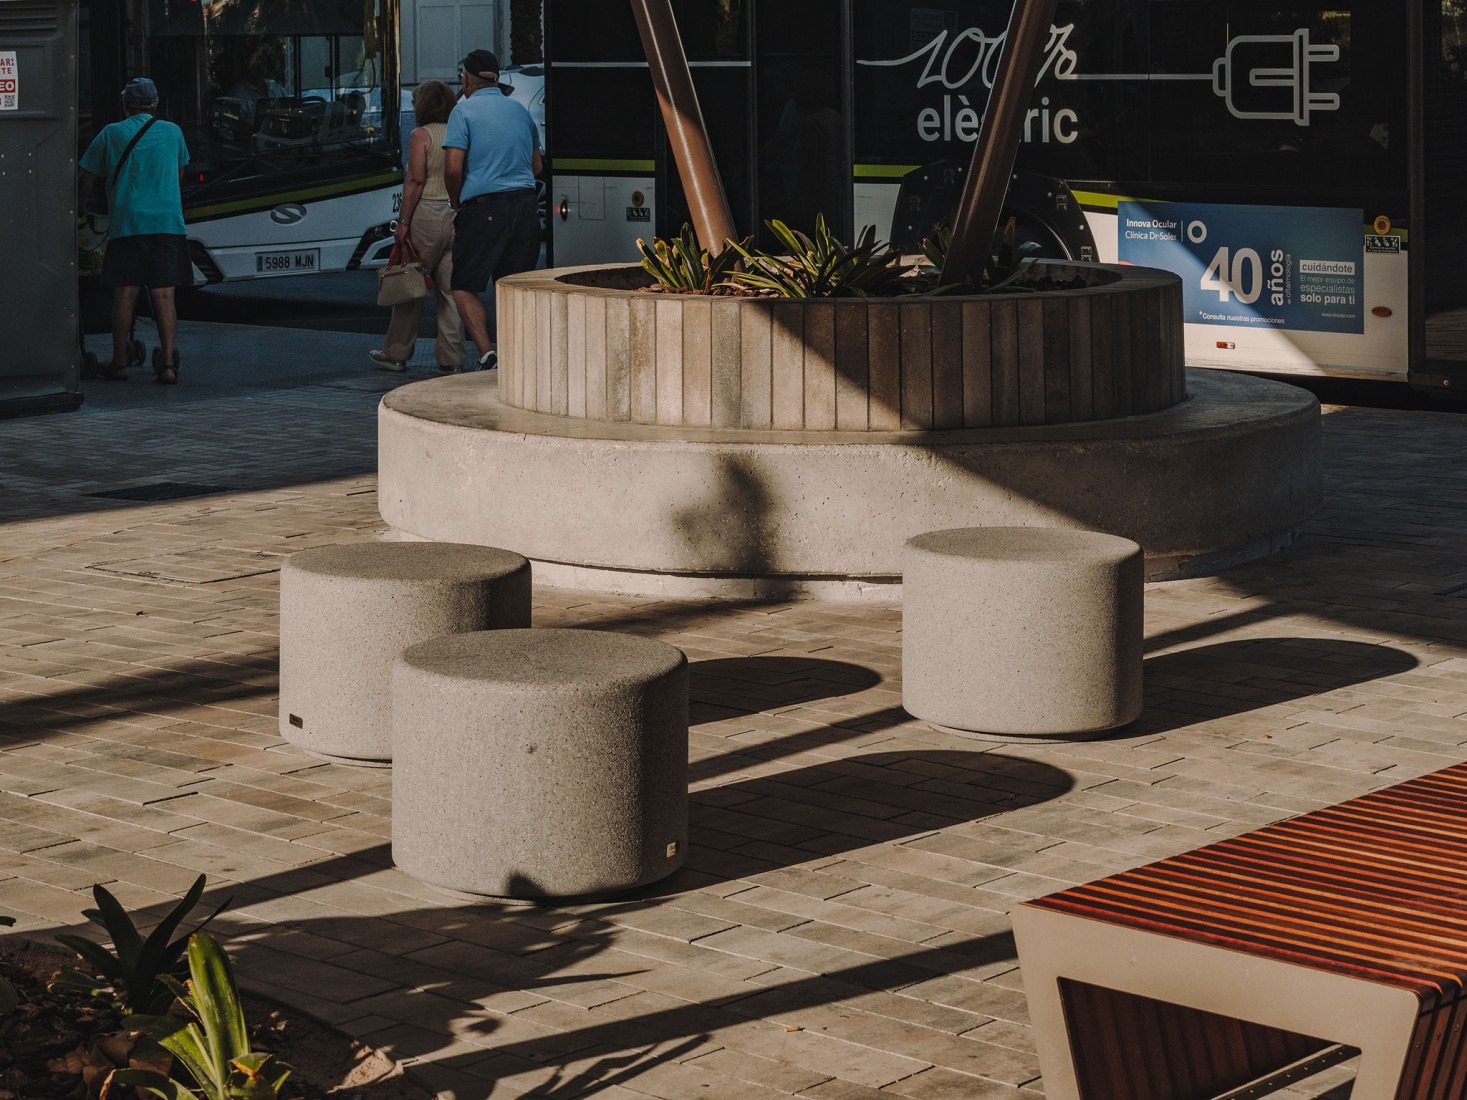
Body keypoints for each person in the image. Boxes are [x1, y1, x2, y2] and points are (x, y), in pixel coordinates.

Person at [77, 77, 191, 384]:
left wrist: (79, 207)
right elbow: (179, 173)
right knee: (164, 296)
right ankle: (167, 366)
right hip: (168, 223)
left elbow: (87, 176)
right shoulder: (173, 132)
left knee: (125, 294)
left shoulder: (111, 133)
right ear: (155, 105)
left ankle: (119, 363)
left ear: (125, 105)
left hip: (128, 224)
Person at [442, 49, 542, 371]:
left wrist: (455, 200)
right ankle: (518, 357)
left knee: (463, 285)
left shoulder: (463, 111)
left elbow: (453, 168)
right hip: (525, 206)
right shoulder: (520, 111)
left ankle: (488, 355)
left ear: (466, 80)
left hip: (485, 207)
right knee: (513, 285)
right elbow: (537, 166)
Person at [370, 80, 465, 373]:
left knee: (411, 285)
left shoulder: (420, 135)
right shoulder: (459, 131)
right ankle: (451, 360)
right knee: (451, 293)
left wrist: (403, 222)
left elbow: (415, 180)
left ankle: (396, 353)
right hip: (456, 214)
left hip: (426, 214)